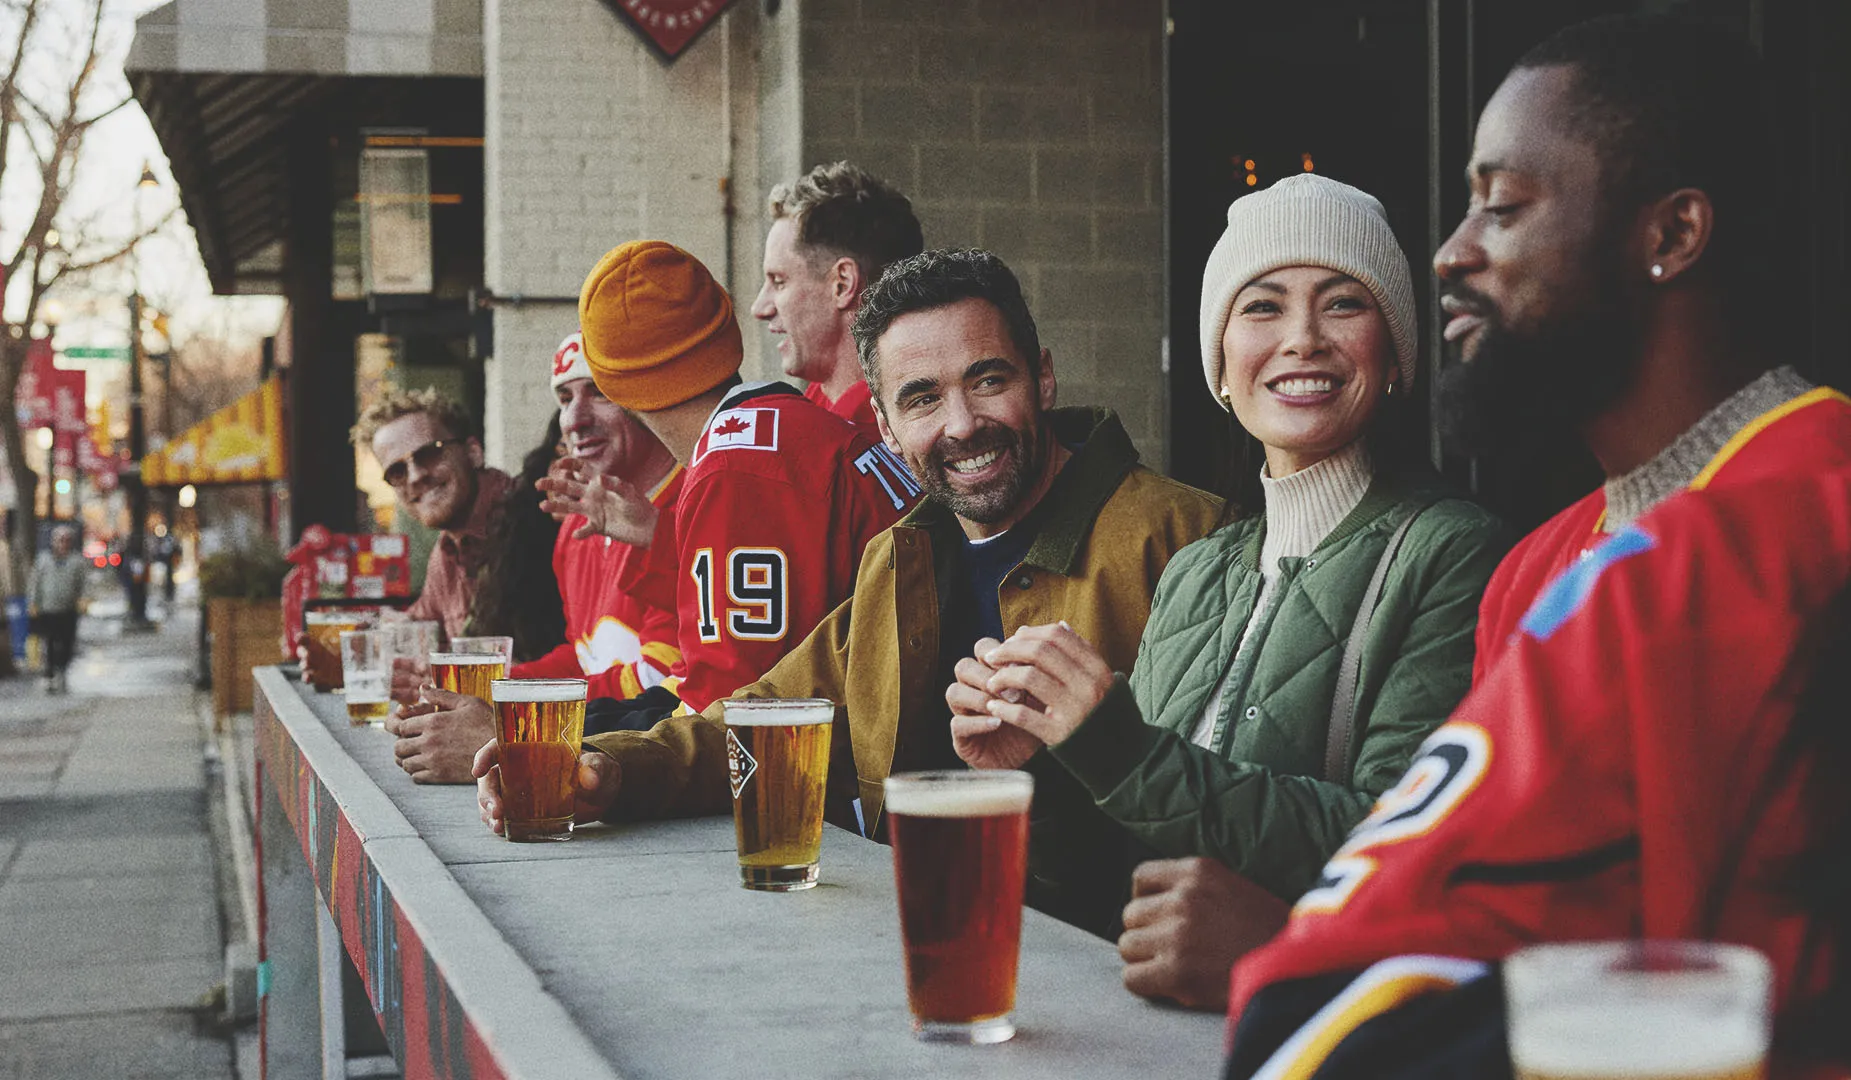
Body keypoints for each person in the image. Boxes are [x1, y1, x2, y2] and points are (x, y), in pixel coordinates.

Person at [1223, 16, 1851, 1078]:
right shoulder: (1535, 570)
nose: (1455, 249)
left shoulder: (1789, 526)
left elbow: (1311, 1015)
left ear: (1671, 233)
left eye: (1504, 206)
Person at [478, 248, 1227, 937]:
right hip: (907, 953)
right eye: (923, 398)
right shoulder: (902, 556)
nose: (962, 424)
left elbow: (1225, 814)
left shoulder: (1189, 538)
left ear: (1045, 378)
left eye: (988, 379)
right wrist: (608, 769)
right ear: (888, 426)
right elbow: (764, 720)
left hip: (1104, 979)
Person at [949, 175, 1507, 1010]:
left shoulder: (1452, 550)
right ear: (1219, 363)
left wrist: (1111, 745)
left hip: (1307, 1031)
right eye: (1262, 307)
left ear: (1394, 357)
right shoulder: (1198, 568)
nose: (1302, 339)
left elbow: (1406, 841)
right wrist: (1039, 759)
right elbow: (1129, 849)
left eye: (1343, 303)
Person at [535, 239, 917, 715]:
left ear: (618, 384)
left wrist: (527, 733)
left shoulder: (734, 469)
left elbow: (726, 718)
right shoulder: (787, 423)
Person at [390, 334, 685, 784]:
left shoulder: (693, 501)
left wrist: (505, 715)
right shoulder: (574, 526)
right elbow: (583, 659)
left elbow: (660, 680)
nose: (574, 419)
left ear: (647, 395)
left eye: (599, 391)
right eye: (565, 398)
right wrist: (467, 690)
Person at [751, 161, 924, 434]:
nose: (759, 308)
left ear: (842, 284)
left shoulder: (895, 432)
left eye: (779, 282)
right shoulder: (818, 404)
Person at [351, 389, 510, 640]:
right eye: (397, 471)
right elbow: (419, 625)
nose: (415, 477)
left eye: (429, 453)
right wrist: (350, 646)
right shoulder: (447, 552)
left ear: (473, 453)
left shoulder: (533, 517)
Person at [468, 412, 569, 664]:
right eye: (561, 452)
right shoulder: (522, 536)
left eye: (585, 451)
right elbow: (475, 636)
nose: (566, 469)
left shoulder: (632, 542)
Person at [29, 525, 86, 694]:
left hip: (68, 609)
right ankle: (51, 672)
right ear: (53, 542)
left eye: (66, 540)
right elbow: (35, 583)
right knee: (51, 642)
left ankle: (62, 669)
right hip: (48, 608)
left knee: (67, 641)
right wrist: (33, 603)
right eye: (60, 540)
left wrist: (82, 601)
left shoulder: (76, 562)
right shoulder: (44, 560)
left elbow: (82, 584)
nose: (63, 543)